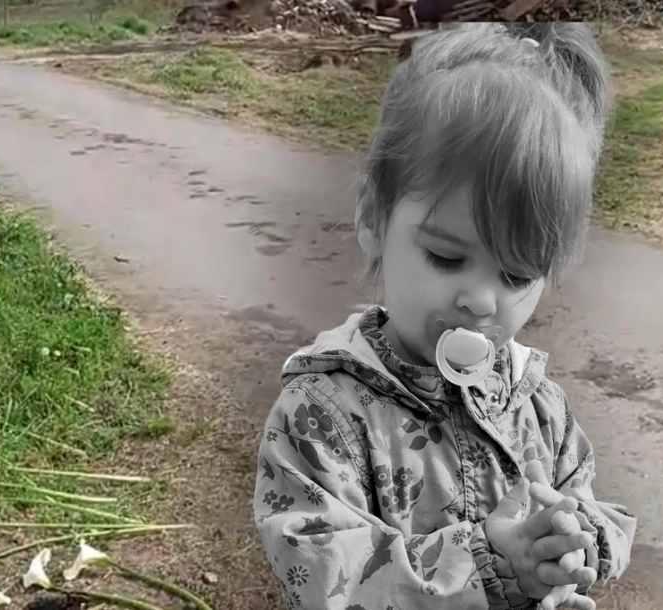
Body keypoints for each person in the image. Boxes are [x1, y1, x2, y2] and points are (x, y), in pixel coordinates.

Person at [253, 22, 637, 610]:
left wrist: (569, 543)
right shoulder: (322, 414)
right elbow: (324, 575)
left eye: (516, 276)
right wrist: (491, 567)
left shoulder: (538, 407)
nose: (481, 300)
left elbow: (580, 497)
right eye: (446, 257)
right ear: (374, 217)